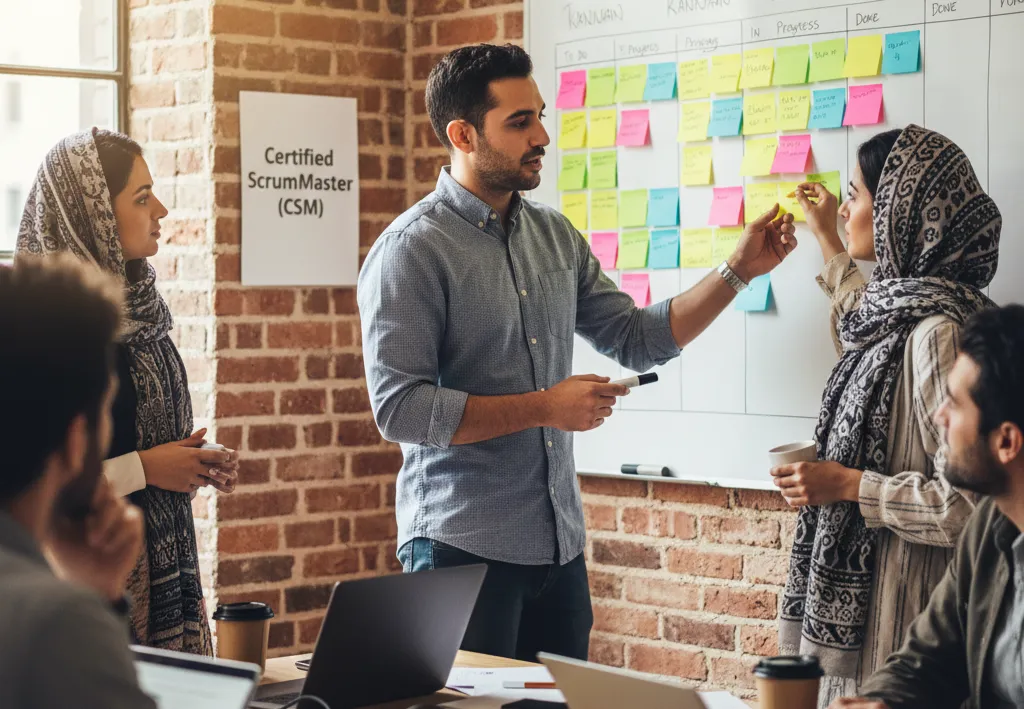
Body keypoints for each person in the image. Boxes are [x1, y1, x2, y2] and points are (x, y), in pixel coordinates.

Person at [357, 43, 797, 662]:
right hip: (460, 550)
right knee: (467, 708)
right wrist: (545, 407)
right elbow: (401, 409)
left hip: (558, 553)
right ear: (462, 134)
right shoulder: (411, 249)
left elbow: (637, 338)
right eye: (519, 122)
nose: (541, 136)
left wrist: (738, 271)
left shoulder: (554, 234)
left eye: (539, 116)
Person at [771, 125, 1002, 705]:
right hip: (879, 617)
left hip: (904, 625)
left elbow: (969, 507)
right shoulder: (899, 312)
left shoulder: (937, 335)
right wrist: (827, 235)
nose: (844, 208)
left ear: (898, 211)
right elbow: (858, 314)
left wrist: (851, 485)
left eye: (854, 196)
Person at [16, 129, 238, 654]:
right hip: (72, 584)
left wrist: (193, 463)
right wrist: (146, 468)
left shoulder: (144, 313)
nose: (161, 210)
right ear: (91, 215)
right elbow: (28, 484)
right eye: (141, 198)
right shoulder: (40, 335)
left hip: (160, 566)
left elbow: (141, 438)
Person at [828, 304, 1024, 709]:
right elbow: (924, 661)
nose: (939, 415)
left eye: (954, 403)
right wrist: (882, 703)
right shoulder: (990, 525)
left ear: (1006, 441)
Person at [0, 255, 156, 709]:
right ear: (76, 440)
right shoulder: (56, 624)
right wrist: (99, 600)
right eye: (106, 410)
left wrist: (94, 584)